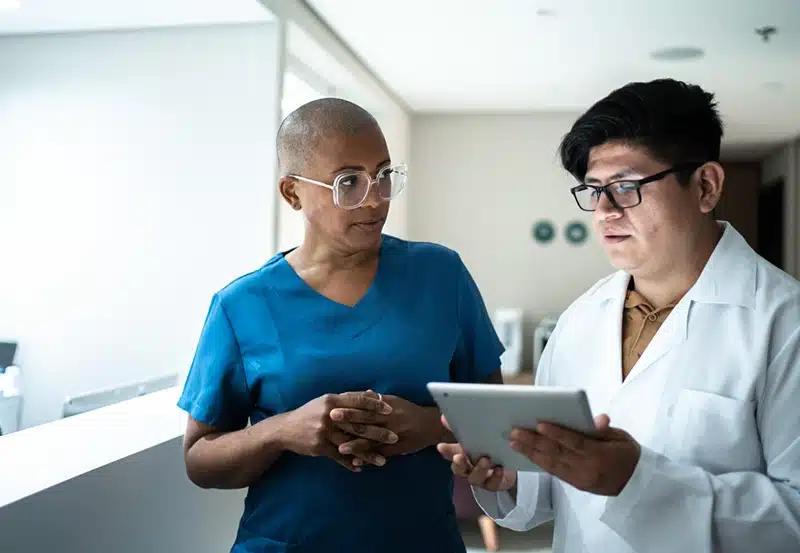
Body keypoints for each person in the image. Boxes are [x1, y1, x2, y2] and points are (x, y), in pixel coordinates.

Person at [439, 78, 800, 553]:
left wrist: (640, 483)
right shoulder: (580, 319)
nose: (605, 211)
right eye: (593, 190)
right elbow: (544, 497)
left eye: (627, 187)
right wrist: (504, 475)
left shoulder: (783, 321)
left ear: (706, 186)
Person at [178, 97, 504, 553]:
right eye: (348, 182)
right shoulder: (242, 305)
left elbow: (498, 418)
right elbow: (200, 461)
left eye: (385, 176)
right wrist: (283, 430)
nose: (374, 199)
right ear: (292, 193)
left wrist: (430, 426)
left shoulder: (441, 275)